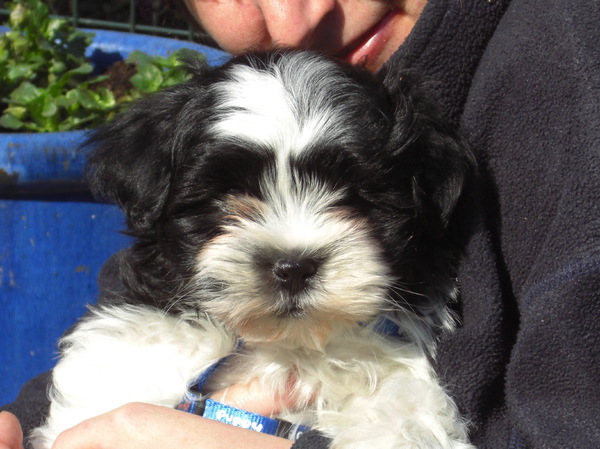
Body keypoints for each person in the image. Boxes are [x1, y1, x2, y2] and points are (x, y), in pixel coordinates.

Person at [2, 0, 600, 448]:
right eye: (228, 207)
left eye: (353, 204)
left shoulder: (568, 62)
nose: (291, 18)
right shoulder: (135, 343)